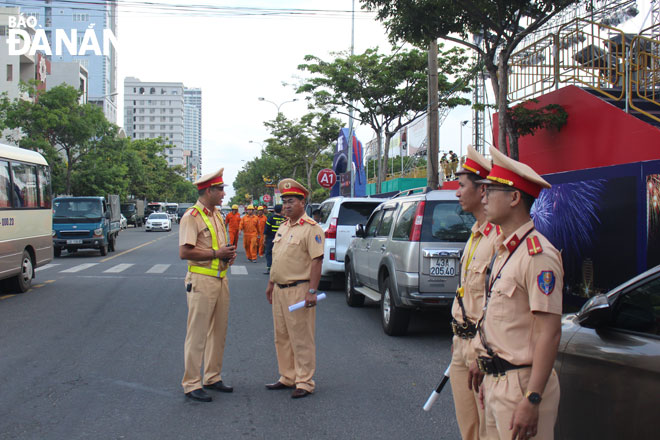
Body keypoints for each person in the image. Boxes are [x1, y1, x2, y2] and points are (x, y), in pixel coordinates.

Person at [469, 146, 563, 440]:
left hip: (523, 385)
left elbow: (549, 333)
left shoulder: (538, 255)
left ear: (514, 197)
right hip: (498, 381)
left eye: (491, 190)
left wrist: (532, 398)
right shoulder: (505, 250)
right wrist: (489, 370)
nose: (483, 197)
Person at [451, 145, 500, 440]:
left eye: (461, 185)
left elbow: (495, 305)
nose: (456, 193)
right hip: (462, 340)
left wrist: (479, 352)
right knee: (467, 426)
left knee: (487, 428)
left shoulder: (498, 238)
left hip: (482, 348)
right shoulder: (475, 234)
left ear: (482, 190)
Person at [178, 168, 237, 403]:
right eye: (220, 189)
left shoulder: (217, 215)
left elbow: (220, 247)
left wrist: (227, 256)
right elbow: (184, 251)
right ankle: (192, 383)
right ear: (209, 190)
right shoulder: (191, 216)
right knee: (198, 334)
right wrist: (216, 253)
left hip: (220, 279)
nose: (224, 193)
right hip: (201, 281)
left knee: (218, 333)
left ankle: (213, 376)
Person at [265, 178, 324, 399]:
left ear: (302, 202)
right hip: (279, 290)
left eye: (291, 201)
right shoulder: (283, 226)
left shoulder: (311, 228)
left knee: (301, 337)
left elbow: (316, 261)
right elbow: (278, 258)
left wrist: (312, 291)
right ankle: (287, 376)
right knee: (281, 336)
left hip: (299, 290)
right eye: (285, 202)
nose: (286, 206)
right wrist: (271, 283)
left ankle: (304, 381)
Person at [263, 204, 286, 275]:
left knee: (269, 253)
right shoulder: (284, 219)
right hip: (281, 240)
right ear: (281, 211)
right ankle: (278, 269)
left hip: (271, 239)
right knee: (279, 254)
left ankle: (269, 268)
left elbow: (266, 230)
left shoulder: (270, 219)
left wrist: (264, 239)